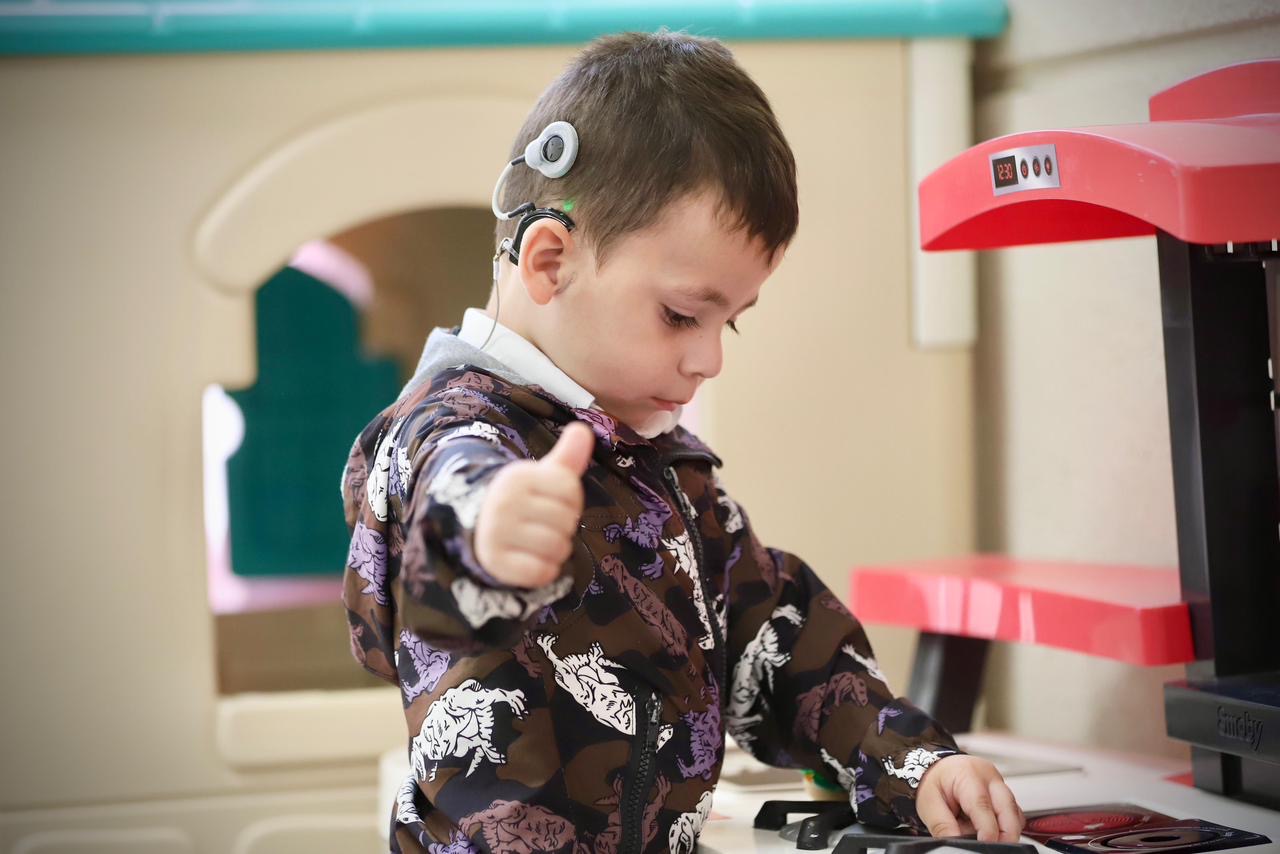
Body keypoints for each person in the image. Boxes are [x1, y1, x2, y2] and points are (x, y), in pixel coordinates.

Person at [340, 29, 1025, 853]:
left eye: (727, 322)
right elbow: (435, 534)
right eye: (680, 315)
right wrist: (488, 535)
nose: (709, 360)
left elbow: (775, 641)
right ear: (549, 262)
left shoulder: (657, 462)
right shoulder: (452, 431)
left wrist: (913, 763)